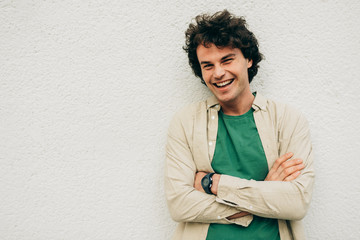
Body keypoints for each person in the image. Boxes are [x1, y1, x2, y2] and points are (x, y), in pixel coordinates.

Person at [165, 10, 314, 240]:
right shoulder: (185, 122)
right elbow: (179, 205)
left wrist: (214, 183)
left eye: (227, 60)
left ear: (248, 58)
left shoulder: (287, 119)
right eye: (208, 65)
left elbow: (296, 203)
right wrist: (265, 191)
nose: (218, 73)